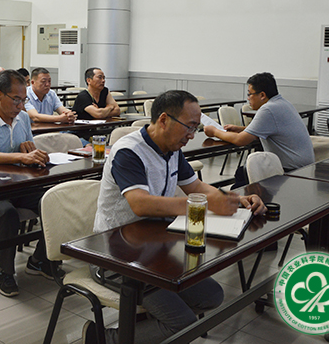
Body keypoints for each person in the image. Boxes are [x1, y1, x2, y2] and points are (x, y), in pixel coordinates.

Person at [84, 90, 266, 344]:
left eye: (196, 127)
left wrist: (235, 199)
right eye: (189, 126)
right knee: (183, 326)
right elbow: (140, 204)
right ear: (163, 119)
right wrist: (203, 205)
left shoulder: (171, 149)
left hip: (155, 249)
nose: (192, 135)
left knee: (212, 296)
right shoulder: (129, 151)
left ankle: (142, 328)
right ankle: (100, 338)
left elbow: (197, 187)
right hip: (117, 257)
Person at [0, 69, 58, 297]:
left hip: (19, 183)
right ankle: (5, 271)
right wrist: (20, 156)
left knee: (55, 201)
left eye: (23, 100)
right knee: (7, 214)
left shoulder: (23, 118)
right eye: (16, 99)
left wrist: (33, 153)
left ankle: (39, 260)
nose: (20, 106)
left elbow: (27, 148)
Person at [203, 72, 314, 186]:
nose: (248, 98)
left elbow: (240, 140)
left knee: (240, 182)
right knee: (241, 173)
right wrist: (241, 129)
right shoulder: (283, 103)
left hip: (291, 172)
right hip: (306, 168)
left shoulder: (268, 109)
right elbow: (270, 128)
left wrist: (215, 131)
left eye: (250, 94)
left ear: (262, 95)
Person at [71, 67, 120, 142]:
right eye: (99, 78)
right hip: (78, 134)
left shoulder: (105, 91)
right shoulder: (83, 96)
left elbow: (117, 110)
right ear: (89, 80)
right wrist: (109, 107)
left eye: (104, 78)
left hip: (94, 132)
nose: (103, 80)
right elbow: (99, 114)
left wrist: (102, 112)